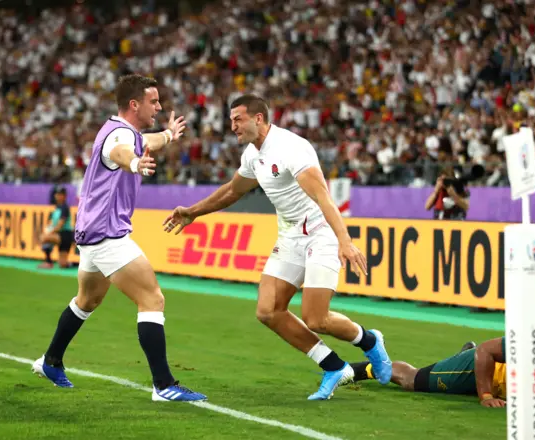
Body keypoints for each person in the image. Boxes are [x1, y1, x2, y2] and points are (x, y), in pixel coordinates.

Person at [163, 94, 392, 401]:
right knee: (268, 311)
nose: (233, 127)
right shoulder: (252, 155)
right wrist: (193, 211)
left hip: (321, 233)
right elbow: (232, 191)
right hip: (289, 237)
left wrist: (344, 241)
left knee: (316, 319)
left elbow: (324, 197)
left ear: (259, 118)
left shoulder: (290, 148)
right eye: (231, 120)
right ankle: (333, 365)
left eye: (238, 119)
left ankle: (369, 340)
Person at [32, 74, 206, 402]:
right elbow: (124, 153)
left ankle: (51, 362)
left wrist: (168, 135)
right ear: (134, 104)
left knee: (88, 300)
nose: (158, 106)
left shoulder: (117, 128)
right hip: (107, 234)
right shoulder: (121, 136)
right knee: (152, 299)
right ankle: (164, 385)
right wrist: (137, 164)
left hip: (89, 232)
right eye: (153, 101)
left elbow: (144, 143)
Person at [351, 331, 535, 408]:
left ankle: (462, 353)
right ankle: (362, 369)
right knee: (413, 380)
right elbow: (486, 351)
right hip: (481, 370)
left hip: (503, 386)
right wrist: (487, 396)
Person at [38, 186, 74, 269]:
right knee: (63, 264)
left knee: (44, 238)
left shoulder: (65, 208)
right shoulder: (57, 208)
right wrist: (49, 230)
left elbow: (60, 225)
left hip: (65, 235)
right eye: (57, 194)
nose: (58, 196)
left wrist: (49, 233)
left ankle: (49, 262)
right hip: (59, 234)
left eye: (60, 194)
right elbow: (51, 223)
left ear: (65, 196)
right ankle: (49, 261)